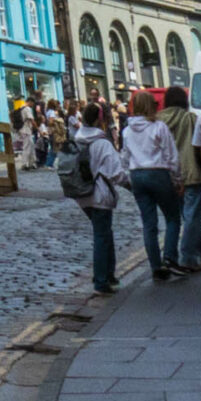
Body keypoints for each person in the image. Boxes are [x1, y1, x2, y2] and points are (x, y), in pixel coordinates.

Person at [121, 89, 183, 281]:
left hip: (137, 175)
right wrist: (178, 179)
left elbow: (124, 157)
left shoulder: (127, 130)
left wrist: (128, 177)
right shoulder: (158, 127)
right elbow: (171, 155)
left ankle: (155, 265)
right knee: (172, 217)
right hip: (158, 173)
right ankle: (170, 257)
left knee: (149, 223)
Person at [73, 101, 129, 295]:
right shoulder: (102, 143)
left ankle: (109, 274)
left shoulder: (76, 139)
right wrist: (132, 186)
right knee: (102, 236)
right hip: (100, 194)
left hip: (82, 195)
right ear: (100, 119)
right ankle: (101, 280)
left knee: (104, 233)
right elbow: (117, 174)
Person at [161, 85, 201, 272]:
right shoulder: (191, 119)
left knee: (188, 216)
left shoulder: (158, 121)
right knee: (191, 217)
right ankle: (188, 257)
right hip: (191, 173)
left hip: (168, 175)